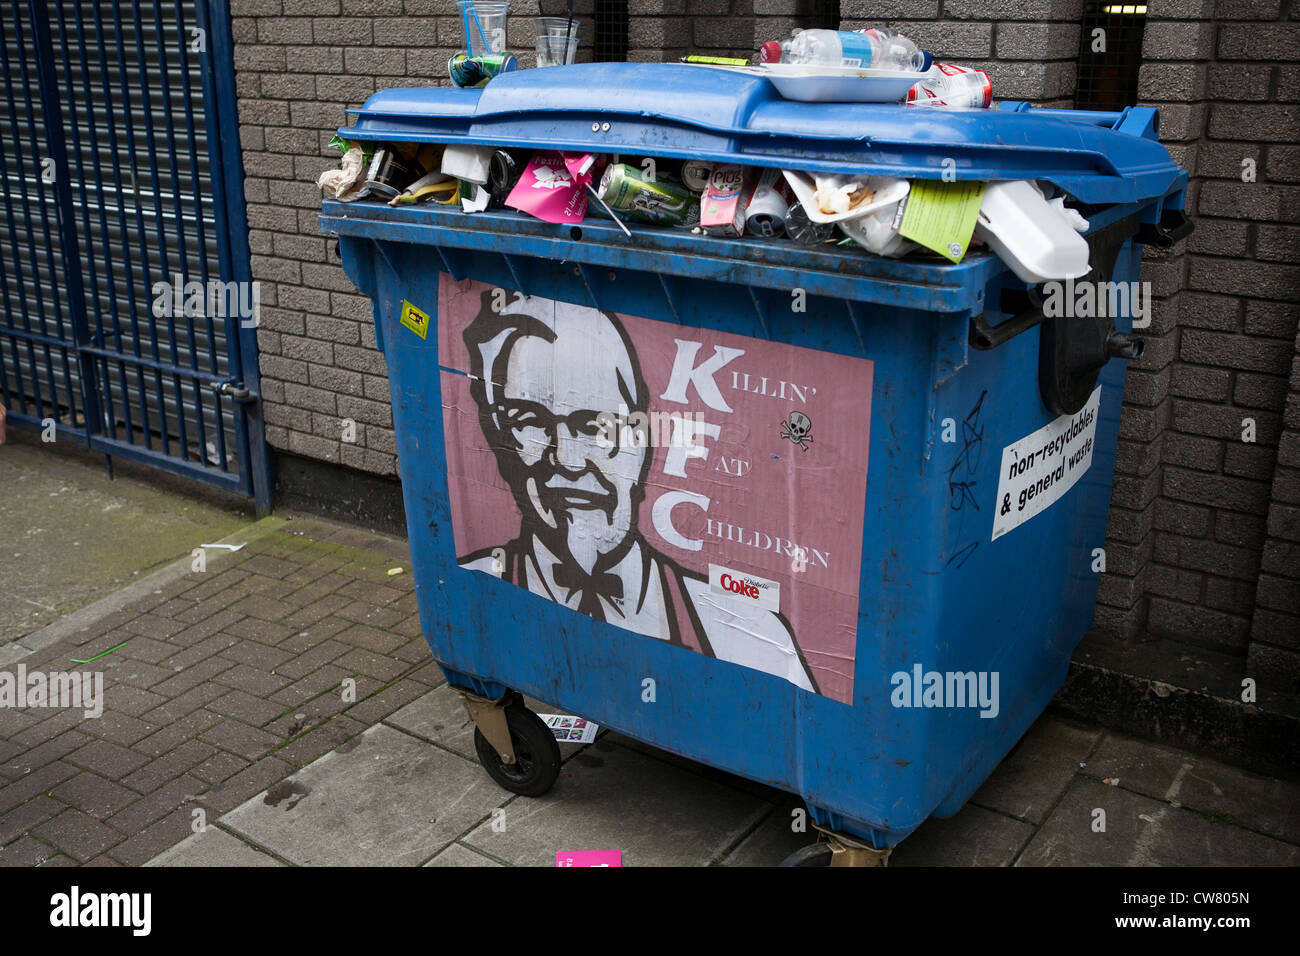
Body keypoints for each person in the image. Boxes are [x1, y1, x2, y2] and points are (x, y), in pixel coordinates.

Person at [456, 290, 816, 692]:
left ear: (643, 444)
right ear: (502, 441)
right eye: (531, 421)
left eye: (596, 426)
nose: (569, 461)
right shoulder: (472, 588)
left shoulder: (751, 632)